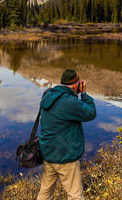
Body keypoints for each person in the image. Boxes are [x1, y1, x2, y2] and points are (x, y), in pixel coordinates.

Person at [37, 69, 97, 200]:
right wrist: (84, 94)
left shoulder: (48, 96)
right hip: (65, 156)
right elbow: (91, 113)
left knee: (45, 192)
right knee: (75, 195)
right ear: (76, 85)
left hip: (48, 153)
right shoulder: (69, 102)